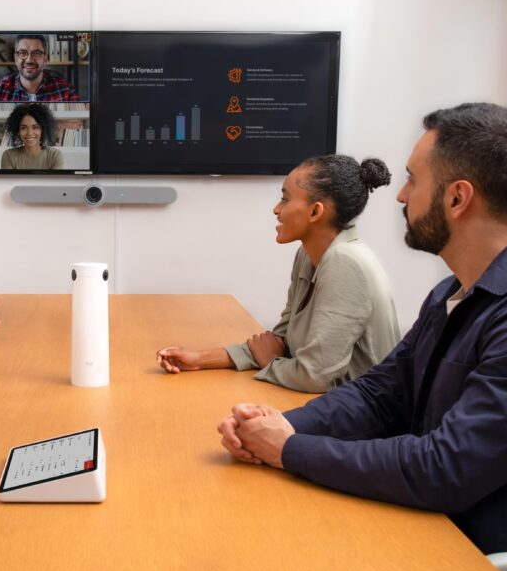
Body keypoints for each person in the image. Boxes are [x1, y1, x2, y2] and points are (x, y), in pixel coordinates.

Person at [216, 103, 507, 571]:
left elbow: (446, 469)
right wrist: (284, 426)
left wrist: (288, 449)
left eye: (412, 181)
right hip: (422, 531)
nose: (399, 196)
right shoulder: (456, 291)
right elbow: (381, 394)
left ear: (457, 197)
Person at [158, 155, 400, 393]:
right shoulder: (308, 255)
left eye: (285, 199)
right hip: (333, 406)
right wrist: (200, 359)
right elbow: (279, 342)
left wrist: (270, 363)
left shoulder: (345, 263)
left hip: (363, 424)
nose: (276, 209)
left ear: (315, 212)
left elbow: (313, 377)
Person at [0, 34, 79, 101]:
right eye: (22, 53)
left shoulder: (66, 90)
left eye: (36, 53)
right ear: (16, 59)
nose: (29, 60)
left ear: (45, 59)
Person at [0, 103, 64, 170]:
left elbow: (56, 180)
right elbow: (9, 180)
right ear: (17, 130)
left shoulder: (55, 156)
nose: (29, 133)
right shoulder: (8, 156)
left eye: (35, 127)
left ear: (43, 129)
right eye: (23, 128)